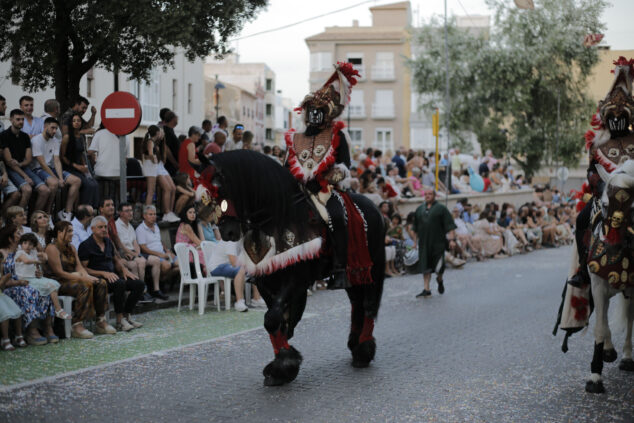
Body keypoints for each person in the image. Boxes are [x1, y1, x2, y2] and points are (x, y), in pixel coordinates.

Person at [45, 221, 114, 339]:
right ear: (59, 233)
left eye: (72, 231)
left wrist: (88, 276)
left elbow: (79, 267)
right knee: (85, 285)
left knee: (100, 282)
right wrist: (81, 277)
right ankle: (77, 324)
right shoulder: (52, 248)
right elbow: (59, 272)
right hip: (58, 282)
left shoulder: (71, 247)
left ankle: (100, 320)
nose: (72, 234)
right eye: (69, 231)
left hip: (74, 278)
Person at [79, 216, 144, 332]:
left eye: (105, 227)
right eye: (100, 227)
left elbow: (116, 259)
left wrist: (124, 270)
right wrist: (103, 273)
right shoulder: (85, 245)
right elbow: (83, 269)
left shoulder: (108, 242)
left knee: (138, 283)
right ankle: (119, 321)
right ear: (93, 229)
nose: (104, 229)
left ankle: (126, 315)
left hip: (112, 276)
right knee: (119, 284)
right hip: (98, 280)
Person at [0, 224, 55, 345]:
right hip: (9, 286)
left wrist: (38, 273)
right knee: (29, 292)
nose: (21, 235)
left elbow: (36, 266)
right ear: (10, 238)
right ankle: (31, 330)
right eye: (18, 233)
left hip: (27, 281)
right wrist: (16, 282)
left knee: (45, 290)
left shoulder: (25, 251)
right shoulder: (2, 253)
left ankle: (47, 327)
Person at [31, 117, 81, 219]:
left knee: (76, 181)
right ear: (45, 127)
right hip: (38, 169)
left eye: (56, 128)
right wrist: (56, 179)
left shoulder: (55, 141)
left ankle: (67, 213)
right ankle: (48, 214)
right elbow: (42, 164)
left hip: (51, 168)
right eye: (52, 128)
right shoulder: (36, 140)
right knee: (53, 184)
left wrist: (61, 178)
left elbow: (57, 160)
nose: (54, 131)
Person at [1, 109, 50, 210]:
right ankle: (17, 219)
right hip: (10, 169)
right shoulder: (4, 135)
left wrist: (20, 164)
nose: (21, 122)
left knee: (45, 190)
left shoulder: (25, 137)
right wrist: (25, 176)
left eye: (22, 119)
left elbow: (28, 159)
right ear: (11, 120)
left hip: (22, 167)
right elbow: (9, 162)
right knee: (27, 189)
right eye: (18, 119)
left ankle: (35, 219)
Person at [15, 232, 70, 320]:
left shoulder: (33, 252)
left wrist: (44, 256)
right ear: (21, 244)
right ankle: (58, 310)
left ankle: (56, 309)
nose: (27, 246)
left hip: (34, 278)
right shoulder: (20, 253)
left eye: (30, 244)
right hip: (24, 279)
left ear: (33, 246)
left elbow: (42, 257)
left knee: (54, 283)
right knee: (51, 286)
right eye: (25, 243)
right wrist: (39, 261)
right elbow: (26, 261)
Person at [412, 190, 457, 297]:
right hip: (424, 244)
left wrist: (451, 240)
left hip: (438, 243)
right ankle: (426, 289)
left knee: (438, 268)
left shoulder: (441, 209)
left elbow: (450, 226)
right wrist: (415, 243)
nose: (427, 196)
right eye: (425, 194)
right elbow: (415, 228)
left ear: (434, 196)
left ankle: (439, 280)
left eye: (430, 194)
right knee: (425, 266)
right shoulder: (419, 209)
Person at [136, 205, 178, 298]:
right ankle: (158, 286)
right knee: (167, 266)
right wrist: (160, 255)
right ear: (144, 216)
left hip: (163, 253)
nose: (153, 216)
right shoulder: (140, 229)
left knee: (181, 265)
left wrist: (167, 250)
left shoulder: (156, 226)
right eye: (150, 214)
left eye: (154, 214)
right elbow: (143, 248)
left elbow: (159, 241)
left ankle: (162, 280)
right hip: (152, 255)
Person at [60, 113, 100, 207]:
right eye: (74, 121)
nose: (76, 123)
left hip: (81, 167)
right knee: (87, 184)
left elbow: (81, 153)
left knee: (94, 184)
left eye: (78, 121)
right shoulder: (67, 137)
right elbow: (63, 157)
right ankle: (83, 209)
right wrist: (76, 166)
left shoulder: (81, 137)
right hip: (70, 167)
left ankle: (93, 208)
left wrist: (85, 167)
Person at [114, 202, 152, 285]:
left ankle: (144, 288)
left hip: (133, 253)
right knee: (140, 262)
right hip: (124, 253)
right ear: (120, 213)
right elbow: (120, 245)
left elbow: (135, 243)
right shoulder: (116, 225)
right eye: (127, 211)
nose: (130, 213)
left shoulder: (130, 226)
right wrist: (134, 254)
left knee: (145, 261)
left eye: (131, 210)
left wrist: (137, 254)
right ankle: (142, 287)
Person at [0, 269, 23, 350]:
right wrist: (3, 280)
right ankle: (5, 339)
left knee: (17, 311)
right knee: (5, 314)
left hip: (1, 296)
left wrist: (4, 281)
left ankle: (18, 336)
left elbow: (2, 288)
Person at [162, 111, 180, 175]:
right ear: (172, 119)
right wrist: (175, 163)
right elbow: (166, 148)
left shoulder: (170, 130)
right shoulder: (167, 131)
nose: (178, 120)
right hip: (170, 165)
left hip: (172, 165)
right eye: (176, 118)